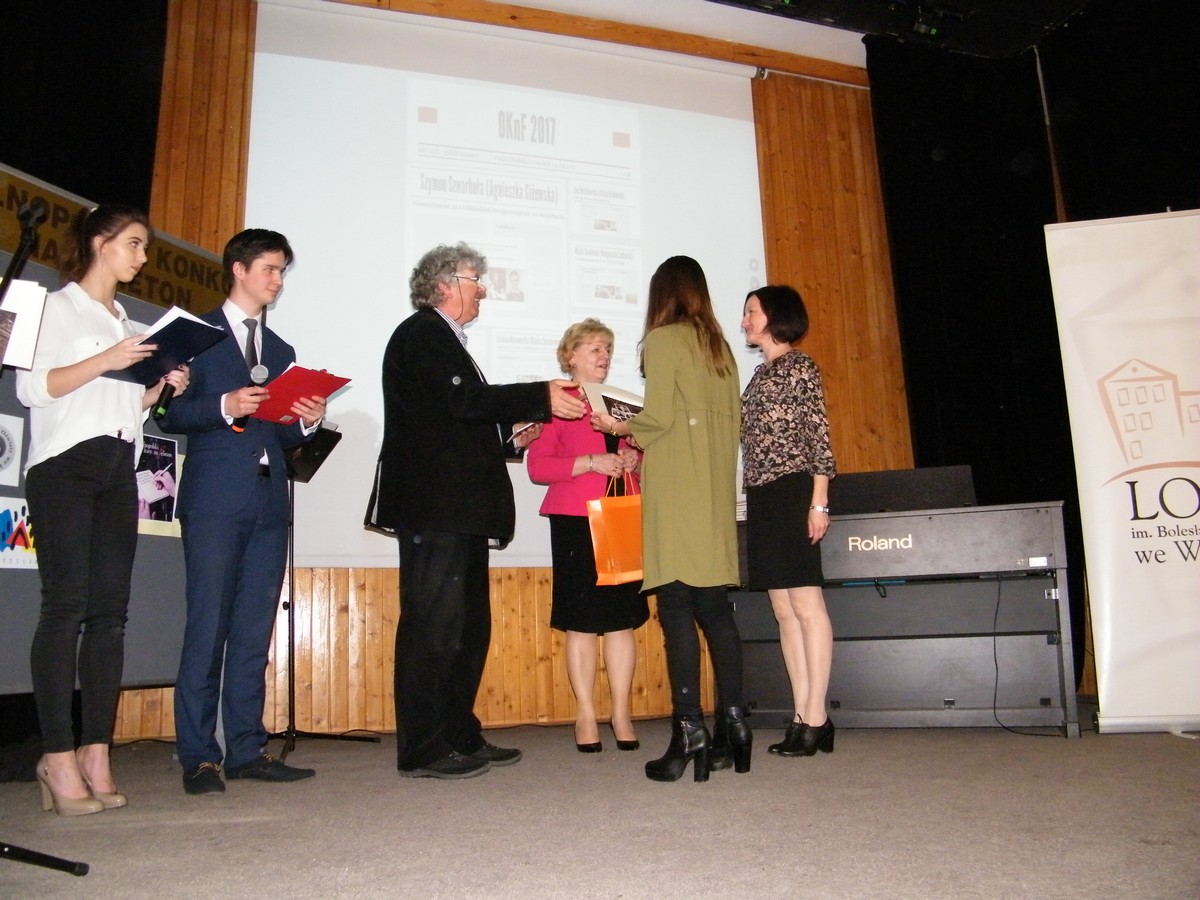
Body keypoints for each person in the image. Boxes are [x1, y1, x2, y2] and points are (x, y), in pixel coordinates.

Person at [367, 241, 585, 780]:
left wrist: (510, 439)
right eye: (474, 279)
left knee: (466, 628)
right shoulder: (423, 332)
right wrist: (541, 394)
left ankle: (458, 734)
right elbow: (462, 402)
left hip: (457, 509)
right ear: (444, 285)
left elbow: (451, 422)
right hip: (434, 507)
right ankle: (423, 748)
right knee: (433, 627)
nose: (483, 289)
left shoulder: (445, 340)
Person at [16, 204, 190, 815]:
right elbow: (32, 388)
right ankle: (56, 755)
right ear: (99, 242)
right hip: (64, 466)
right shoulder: (55, 307)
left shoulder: (126, 322)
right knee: (65, 607)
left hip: (118, 465)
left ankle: (96, 750)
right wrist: (107, 359)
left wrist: (158, 389)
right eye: (134, 243)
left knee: (110, 615)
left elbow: (118, 405)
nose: (142, 257)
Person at [160, 228, 327, 795]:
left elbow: (282, 434)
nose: (278, 280)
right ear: (238, 268)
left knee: (254, 630)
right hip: (214, 498)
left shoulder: (281, 351)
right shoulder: (196, 335)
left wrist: (306, 420)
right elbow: (168, 414)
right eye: (270, 269)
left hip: (268, 498)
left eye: (282, 271)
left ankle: (247, 750)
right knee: (208, 627)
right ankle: (199, 756)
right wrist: (224, 404)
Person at [591, 255, 748, 783]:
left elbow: (656, 417)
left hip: (678, 489)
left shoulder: (662, 341)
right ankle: (734, 724)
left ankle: (688, 730)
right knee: (716, 611)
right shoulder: (719, 347)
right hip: (713, 493)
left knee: (676, 607)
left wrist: (616, 424)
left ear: (663, 294)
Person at [526, 319, 648, 753]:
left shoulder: (622, 403)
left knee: (621, 621)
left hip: (620, 515)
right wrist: (592, 462)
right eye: (594, 348)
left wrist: (633, 459)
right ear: (570, 356)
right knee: (581, 621)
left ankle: (621, 714)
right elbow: (538, 467)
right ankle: (585, 714)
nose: (604, 356)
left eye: (608, 349)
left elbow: (639, 453)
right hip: (576, 520)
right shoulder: (559, 402)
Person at [739, 285, 837, 757]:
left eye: (751, 312)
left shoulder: (801, 367)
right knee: (782, 609)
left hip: (795, 491)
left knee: (806, 604)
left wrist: (819, 503)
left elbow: (819, 438)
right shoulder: (758, 376)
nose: (744, 321)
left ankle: (816, 715)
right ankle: (801, 714)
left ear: (775, 316)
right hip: (761, 495)